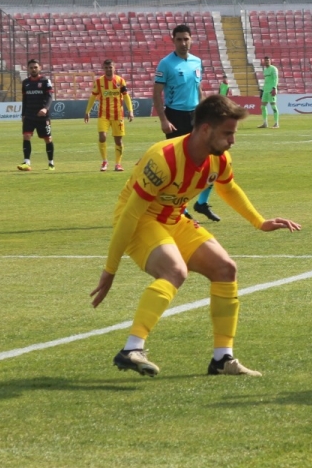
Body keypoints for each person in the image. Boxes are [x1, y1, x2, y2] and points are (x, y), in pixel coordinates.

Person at [90, 95, 301, 377]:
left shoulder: (219, 158)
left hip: (174, 218)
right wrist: (110, 270)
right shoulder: (163, 159)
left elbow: (228, 188)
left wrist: (259, 222)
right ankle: (131, 348)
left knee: (225, 269)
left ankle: (222, 359)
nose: (232, 141)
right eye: (227, 133)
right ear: (204, 129)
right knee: (174, 271)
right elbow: (129, 216)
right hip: (142, 221)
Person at [153, 24, 218, 222]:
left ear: (191, 39)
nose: (183, 43)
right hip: (175, 116)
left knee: (210, 160)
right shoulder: (166, 64)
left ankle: (201, 203)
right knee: (180, 166)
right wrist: (163, 119)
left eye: (186, 39)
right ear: (173, 40)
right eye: (179, 39)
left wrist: (206, 112)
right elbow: (156, 93)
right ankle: (180, 209)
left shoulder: (197, 62)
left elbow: (198, 89)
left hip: (196, 116)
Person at [85, 59, 135, 172]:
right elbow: (93, 97)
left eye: (110, 67)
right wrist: (87, 111)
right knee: (102, 136)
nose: (108, 69)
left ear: (114, 68)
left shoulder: (120, 81)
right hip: (103, 115)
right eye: (106, 67)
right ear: (103, 68)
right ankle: (104, 161)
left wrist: (130, 111)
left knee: (118, 141)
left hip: (118, 115)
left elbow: (126, 96)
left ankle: (118, 164)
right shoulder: (99, 82)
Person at [17, 59, 55, 171]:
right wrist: (23, 114)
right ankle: (26, 163)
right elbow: (25, 99)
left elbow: (49, 97)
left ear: (40, 68)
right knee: (26, 136)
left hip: (42, 116)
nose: (33, 69)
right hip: (29, 115)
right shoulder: (25, 83)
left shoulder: (45, 81)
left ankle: (51, 163)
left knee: (48, 139)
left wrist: (45, 109)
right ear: (27, 69)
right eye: (31, 67)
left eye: (35, 67)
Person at [259, 56, 279, 129]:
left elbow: (276, 79)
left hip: (271, 89)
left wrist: (274, 88)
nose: (266, 62)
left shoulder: (273, 69)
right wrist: (262, 90)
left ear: (270, 61)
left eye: (268, 60)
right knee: (262, 106)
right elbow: (266, 81)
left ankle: (276, 123)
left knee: (273, 106)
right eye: (265, 61)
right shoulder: (265, 70)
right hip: (266, 90)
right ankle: (265, 123)